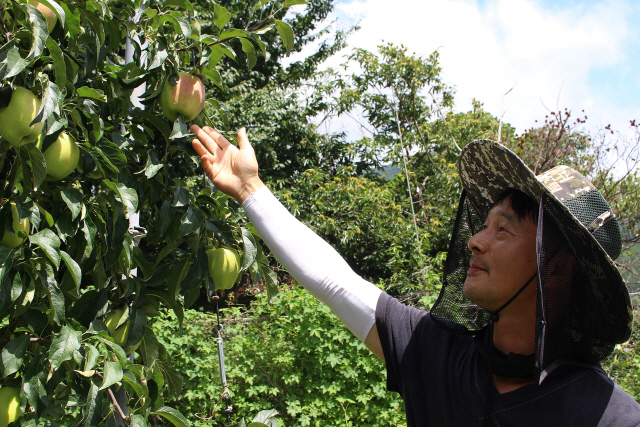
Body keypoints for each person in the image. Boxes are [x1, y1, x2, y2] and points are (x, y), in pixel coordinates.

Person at [191, 124, 640, 426]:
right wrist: (251, 190)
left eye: (503, 230)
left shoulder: (609, 417)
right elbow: (334, 281)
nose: (476, 241)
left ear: (558, 268)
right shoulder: (438, 354)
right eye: (483, 224)